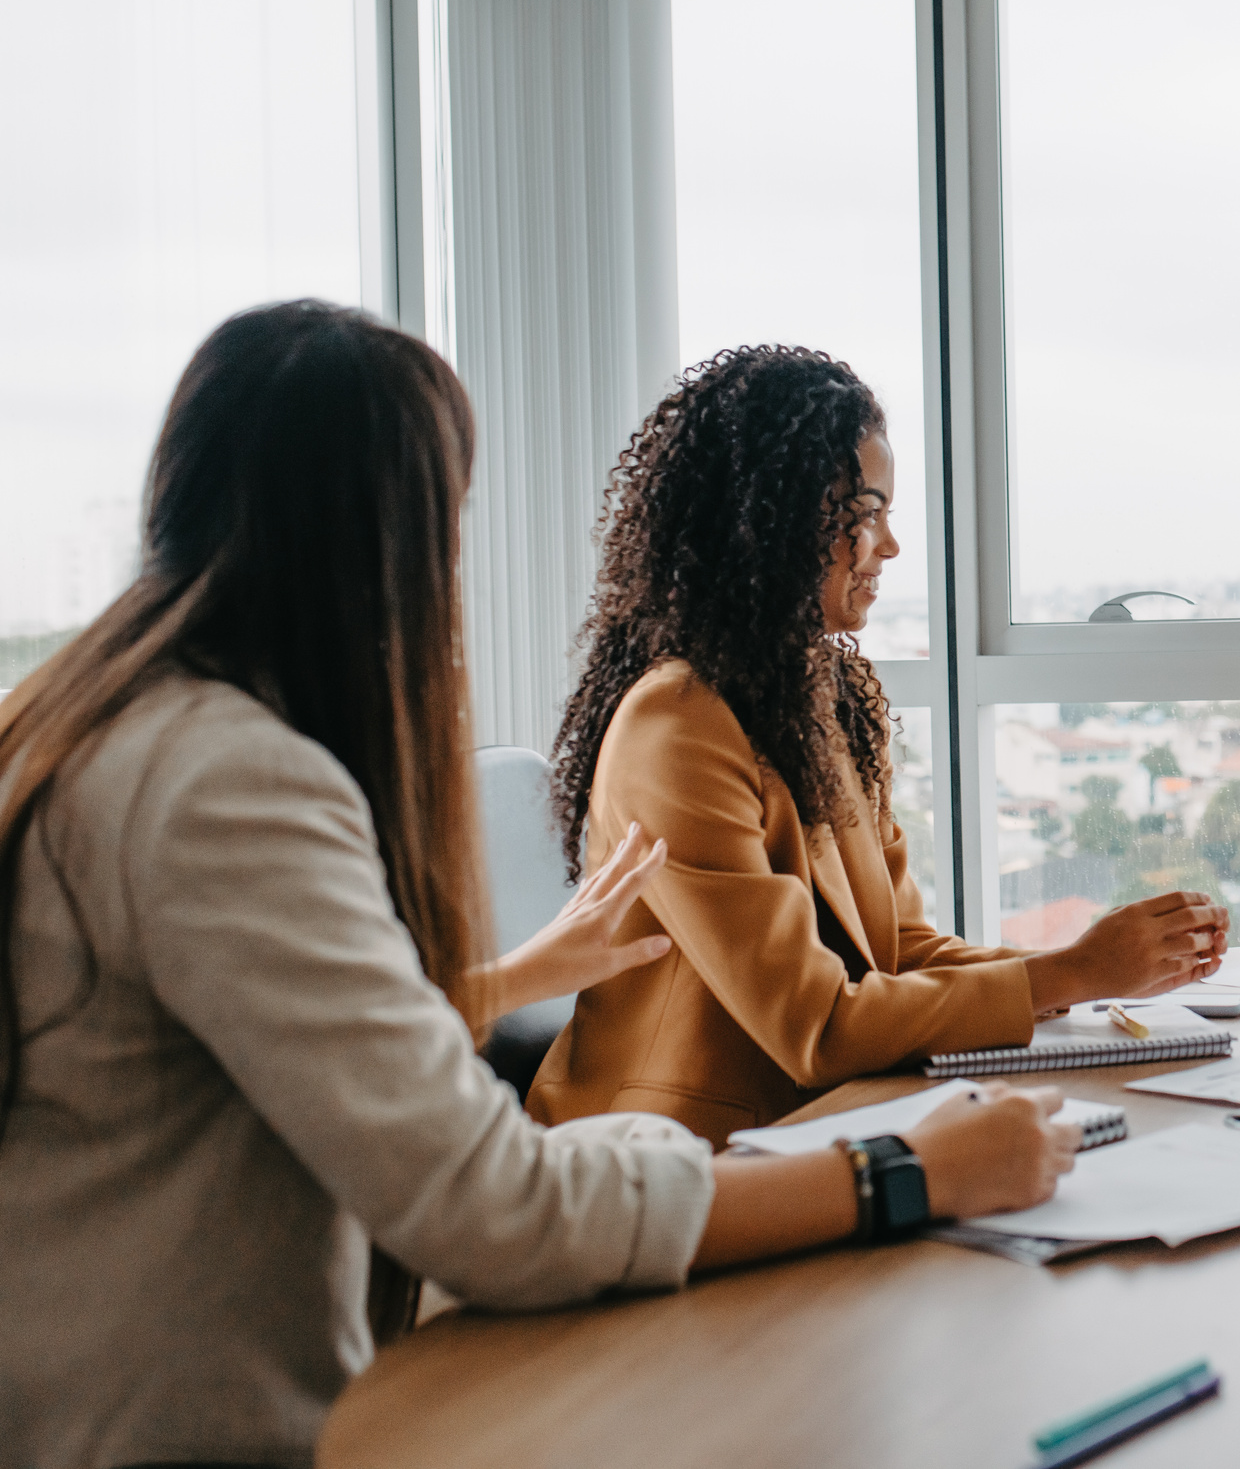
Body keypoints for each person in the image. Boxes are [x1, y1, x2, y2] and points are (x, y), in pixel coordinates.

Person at [0, 304, 1088, 1469]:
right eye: (448, 521)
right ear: (385, 531)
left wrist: (508, 978)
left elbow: (238, 1039)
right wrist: (900, 1171)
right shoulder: (228, 783)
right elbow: (495, 1209)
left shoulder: (86, 716)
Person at [530, 345, 1228, 1148]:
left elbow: (895, 947)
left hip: (815, 1120)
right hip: (668, 1156)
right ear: (770, 521)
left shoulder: (828, 696)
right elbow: (815, 1025)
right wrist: (1074, 973)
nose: (889, 547)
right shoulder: (676, 724)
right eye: (865, 515)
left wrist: (1076, 966)